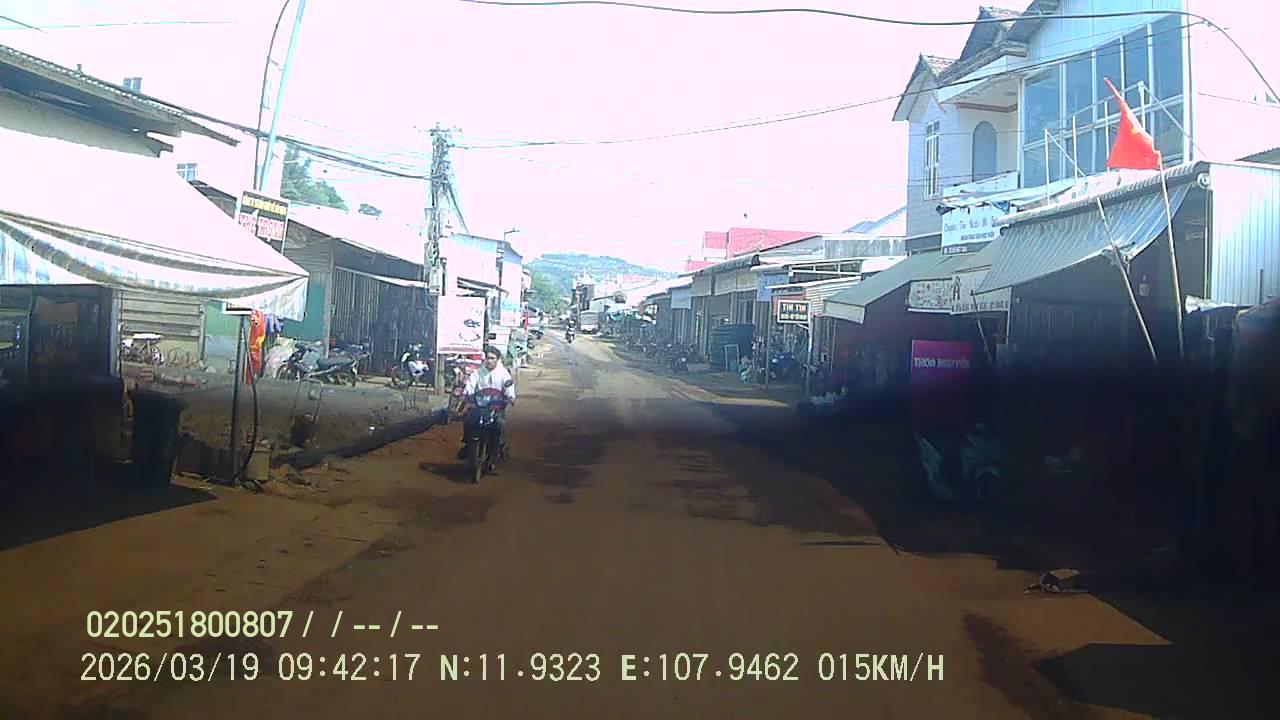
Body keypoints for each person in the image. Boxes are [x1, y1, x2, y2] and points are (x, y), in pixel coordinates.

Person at [456, 345, 516, 466]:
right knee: (468, 421)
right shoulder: (478, 373)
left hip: (496, 407)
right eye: (487, 358)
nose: (489, 361)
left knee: (499, 424)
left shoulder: (503, 374)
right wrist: (465, 394)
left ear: (497, 359)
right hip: (480, 406)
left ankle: (496, 451)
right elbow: (470, 386)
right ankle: (468, 444)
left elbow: (509, 387)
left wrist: (510, 397)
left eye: (492, 358)